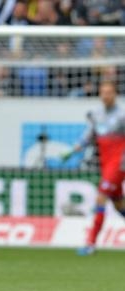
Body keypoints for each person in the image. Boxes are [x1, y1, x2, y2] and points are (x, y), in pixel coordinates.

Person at [61, 81, 125, 256]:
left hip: (119, 164)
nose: (106, 95)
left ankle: (90, 243)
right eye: (103, 92)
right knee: (119, 205)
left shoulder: (122, 115)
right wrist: (71, 151)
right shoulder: (95, 115)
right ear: (100, 94)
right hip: (106, 164)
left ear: (115, 94)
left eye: (109, 92)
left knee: (101, 197)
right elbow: (87, 137)